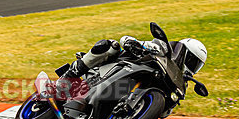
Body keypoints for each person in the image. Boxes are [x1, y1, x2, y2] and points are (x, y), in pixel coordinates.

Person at [58, 33, 207, 94]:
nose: (192, 66)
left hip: (126, 91)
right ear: (183, 52)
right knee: (111, 45)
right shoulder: (161, 50)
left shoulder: (180, 85)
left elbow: (165, 113)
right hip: (117, 67)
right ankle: (69, 75)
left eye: (196, 65)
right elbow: (126, 40)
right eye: (192, 61)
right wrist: (134, 44)